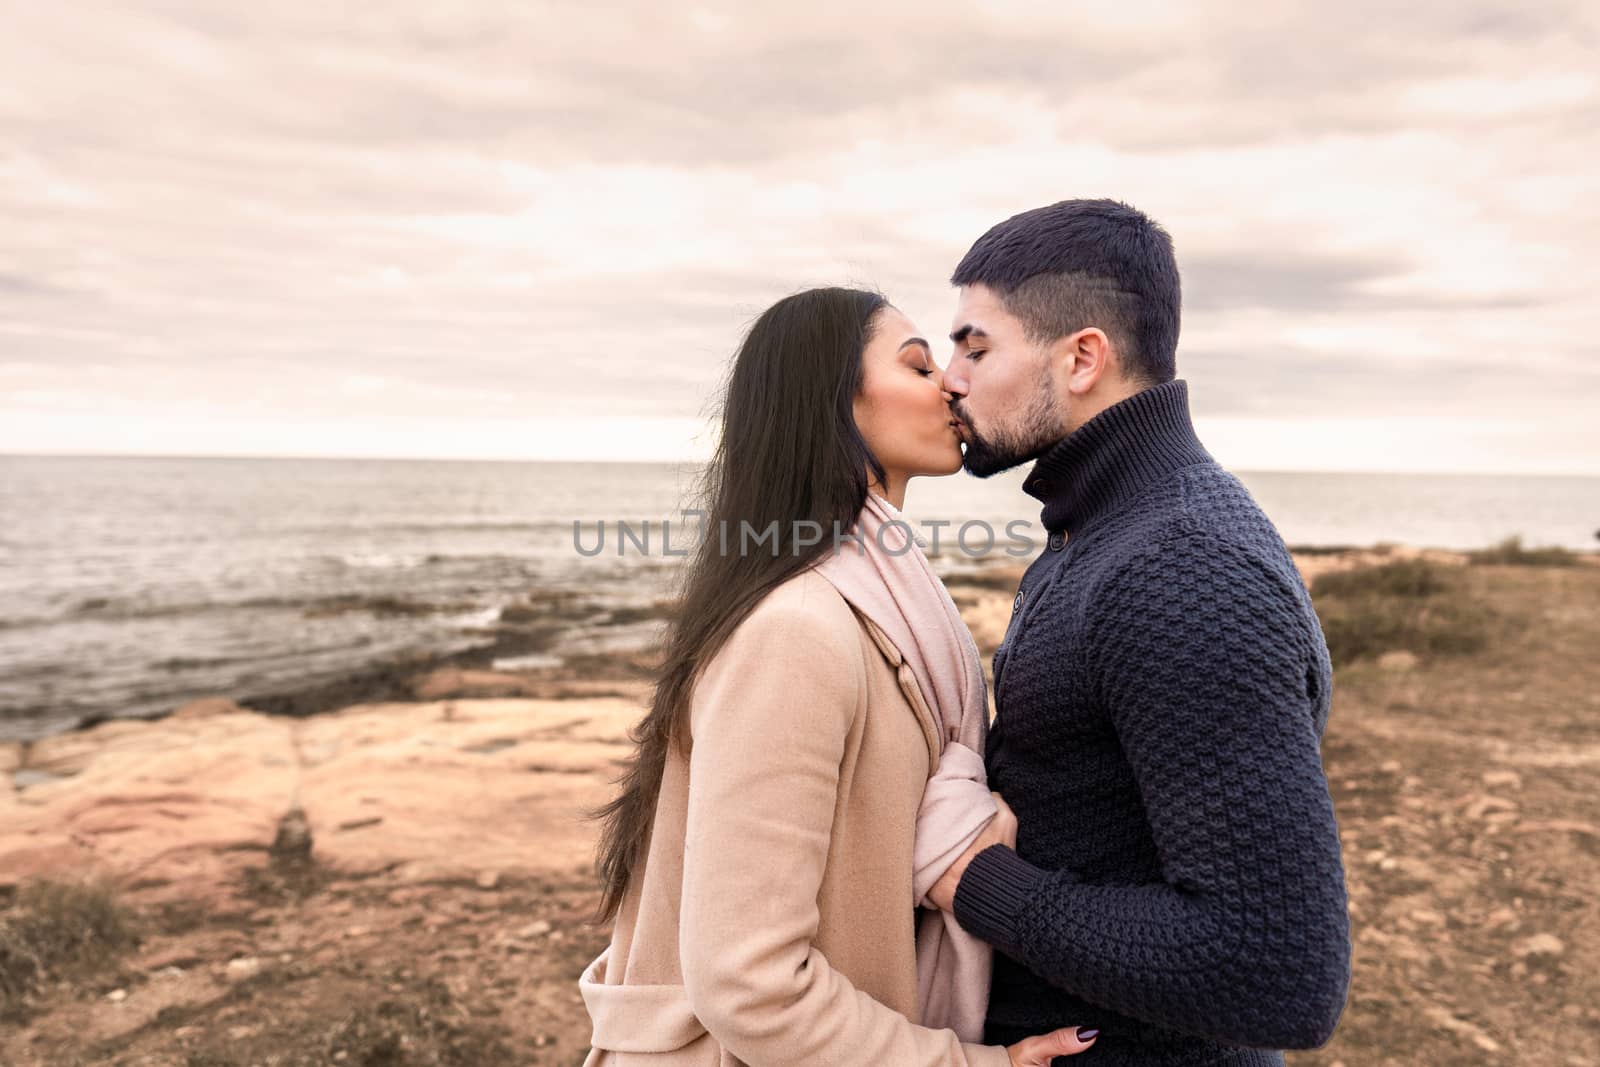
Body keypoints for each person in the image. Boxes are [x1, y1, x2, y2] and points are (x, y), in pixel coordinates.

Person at [577, 287, 1099, 1065]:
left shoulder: (884, 601)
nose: (953, 383)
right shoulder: (798, 628)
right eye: (920, 364)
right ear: (835, 403)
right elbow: (750, 980)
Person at [927, 199, 1353, 1066]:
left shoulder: (1181, 565)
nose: (950, 378)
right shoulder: (1101, 527)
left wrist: (974, 882)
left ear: (1082, 356)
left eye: (975, 346)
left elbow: (1278, 970)